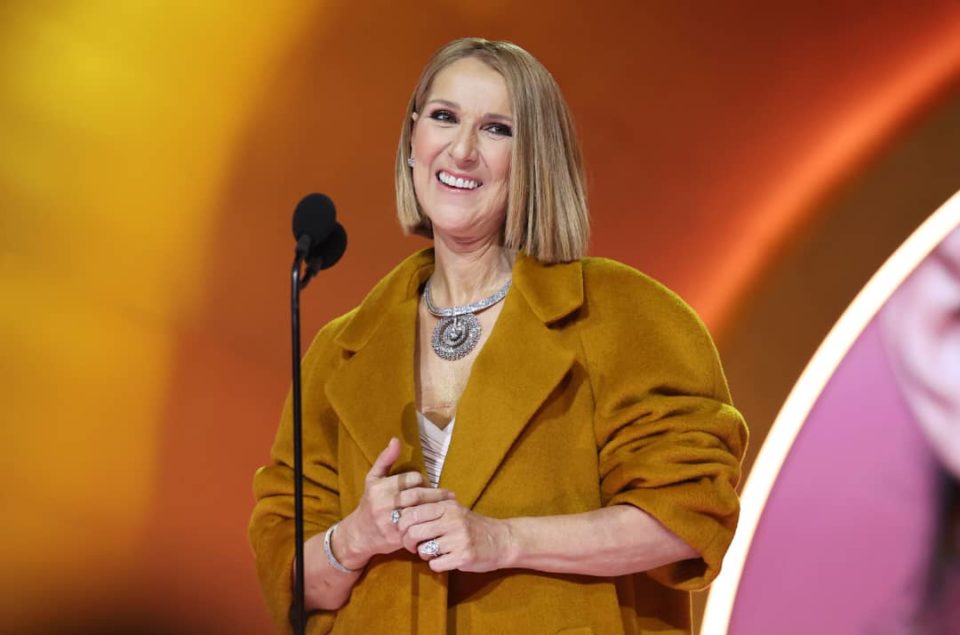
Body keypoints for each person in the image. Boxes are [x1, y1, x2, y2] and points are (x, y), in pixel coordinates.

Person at [249, 37, 747, 634]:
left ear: (536, 159)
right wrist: (356, 536)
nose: (461, 151)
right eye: (444, 117)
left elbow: (686, 516)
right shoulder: (339, 351)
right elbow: (291, 577)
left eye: (496, 129)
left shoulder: (625, 316)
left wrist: (501, 540)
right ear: (411, 142)